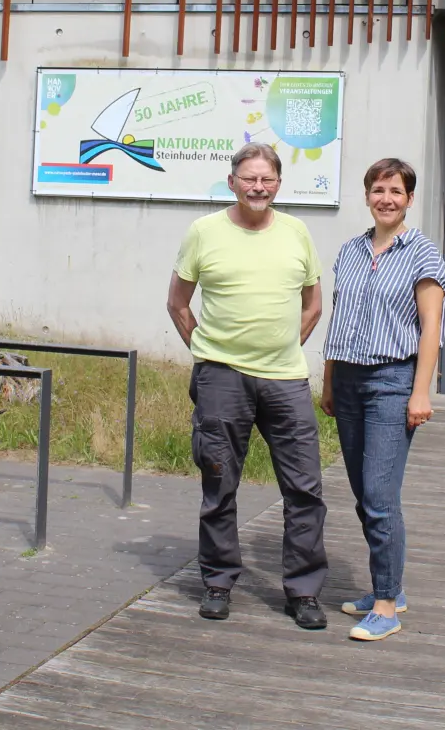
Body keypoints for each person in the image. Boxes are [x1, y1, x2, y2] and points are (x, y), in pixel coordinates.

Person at [166, 143, 330, 630]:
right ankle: (218, 581)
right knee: (219, 485)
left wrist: (282, 348)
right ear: (232, 181)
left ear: (279, 183)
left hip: (286, 380)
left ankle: (303, 592)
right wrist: (209, 352)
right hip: (222, 378)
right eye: (249, 178)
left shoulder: (297, 232)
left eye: (268, 179)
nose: (259, 187)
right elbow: (178, 303)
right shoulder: (204, 232)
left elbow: (313, 304)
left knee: (305, 490)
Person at [321, 158, 445, 642]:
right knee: (364, 495)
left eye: (396, 190)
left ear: (409, 199)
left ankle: (387, 605)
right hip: (349, 380)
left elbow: (431, 329)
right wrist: (330, 380)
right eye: (378, 189)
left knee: (379, 497)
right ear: (368, 195)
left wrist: (420, 392)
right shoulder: (351, 251)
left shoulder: (423, 254)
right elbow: (338, 319)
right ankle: (386, 584)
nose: (387, 198)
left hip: (393, 382)